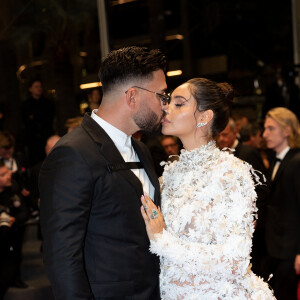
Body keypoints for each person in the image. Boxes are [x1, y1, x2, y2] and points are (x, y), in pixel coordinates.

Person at [39, 46, 168, 299]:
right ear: (132, 97)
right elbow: (62, 256)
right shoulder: (73, 153)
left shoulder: (140, 149)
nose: (164, 105)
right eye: (161, 95)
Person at [140, 78, 275, 299]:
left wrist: (162, 241)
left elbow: (235, 260)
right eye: (168, 101)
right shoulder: (169, 175)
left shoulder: (232, 173)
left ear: (204, 116)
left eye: (179, 103)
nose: (166, 107)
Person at [262, 107, 300, 300]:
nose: (264, 134)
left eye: (270, 129)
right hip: (274, 248)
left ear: (287, 131)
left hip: (290, 250)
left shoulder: (296, 161)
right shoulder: (276, 160)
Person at [21, 79, 55, 166]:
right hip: (33, 141)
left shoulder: (48, 103)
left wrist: (35, 117)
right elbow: (27, 122)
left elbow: (48, 119)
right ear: (30, 89)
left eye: (40, 86)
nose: (39, 89)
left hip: (46, 136)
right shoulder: (26, 105)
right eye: (36, 87)